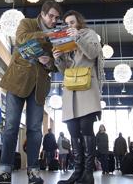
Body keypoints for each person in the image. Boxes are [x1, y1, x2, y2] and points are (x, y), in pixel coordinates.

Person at [0, 1, 62, 184]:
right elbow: (21, 39)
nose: (54, 20)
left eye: (56, 17)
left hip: (39, 86)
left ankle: (33, 172)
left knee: (35, 130)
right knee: (11, 126)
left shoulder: (57, 35)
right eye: (51, 16)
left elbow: (56, 64)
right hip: (18, 80)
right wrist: (46, 34)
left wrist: (49, 62)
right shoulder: (27, 23)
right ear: (43, 14)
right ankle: (4, 170)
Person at [53, 10, 103, 184]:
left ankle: (88, 174)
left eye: (72, 22)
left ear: (79, 22)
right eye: (67, 23)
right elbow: (66, 69)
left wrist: (78, 38)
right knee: (73, 130)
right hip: (70, 91)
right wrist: (58, 59)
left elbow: (92, 54)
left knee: (86, 129)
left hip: (87, 88)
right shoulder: (65, 40)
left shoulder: (89, 34)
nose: (69, 26)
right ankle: (77, 172)